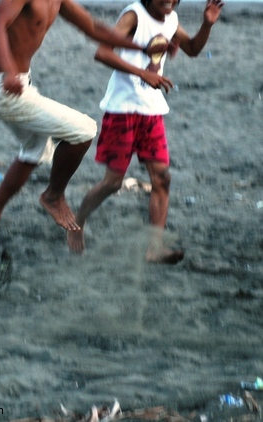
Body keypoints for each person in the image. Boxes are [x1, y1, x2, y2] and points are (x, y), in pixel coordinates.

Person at [0, 0, 160, 257]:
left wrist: (141, 46)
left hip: (20, 85)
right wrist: (8, 72)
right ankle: (53, 195)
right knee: (83, 130)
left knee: (34, 152)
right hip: (4, 88)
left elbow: (93, 27)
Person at [67, 0, 224, 264]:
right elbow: (103, 53)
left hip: (152, 111)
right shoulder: (133, 15)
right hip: (122, 110)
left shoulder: (171, 20)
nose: (168, 1)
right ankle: (77, 222)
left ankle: (154, 248)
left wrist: (206, 24)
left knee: (162, 179)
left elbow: (194, 49)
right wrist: (143, 73)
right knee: (113, 183)